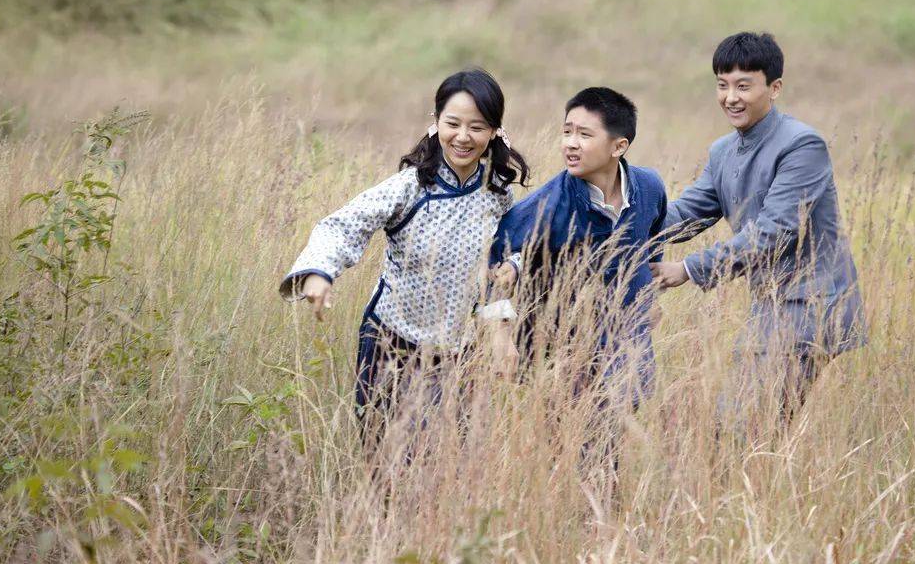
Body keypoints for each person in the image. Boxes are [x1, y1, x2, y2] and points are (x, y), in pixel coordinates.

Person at [279, 68, 530, 450]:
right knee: (386, 462)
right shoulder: (411, 187)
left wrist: (507, 296)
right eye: (453, 124)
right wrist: (319, 273)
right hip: (390, 345)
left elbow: (505, 265)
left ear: (495, 131)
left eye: (477, 127)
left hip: (457, 356)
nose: (463, 137)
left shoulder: (497, 197)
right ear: (435, 124)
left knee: (445, 464)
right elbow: (343, 226)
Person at [651, 32, 866, 432]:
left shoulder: (802, 145)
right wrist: (622, 220)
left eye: (743, 85)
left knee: (739, 427)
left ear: (775, 87)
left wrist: (690, 269)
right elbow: (686, 214)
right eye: (722, 85)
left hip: (810, 304)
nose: (731, 97)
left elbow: (775, 231)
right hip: (769, 306)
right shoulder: (723, 151)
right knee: (750, 431)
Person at [488, 87, 668, 416]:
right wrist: (501, 334)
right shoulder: (548, 205)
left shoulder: (650, 187)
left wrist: (650, 293)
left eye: (584, 134)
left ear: (619, 146)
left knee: (629, 402)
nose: (570, 143)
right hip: (568, 352)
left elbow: (653, 238)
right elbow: (494, 258)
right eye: (567, 131)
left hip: (628, 338)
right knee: (584, 435)